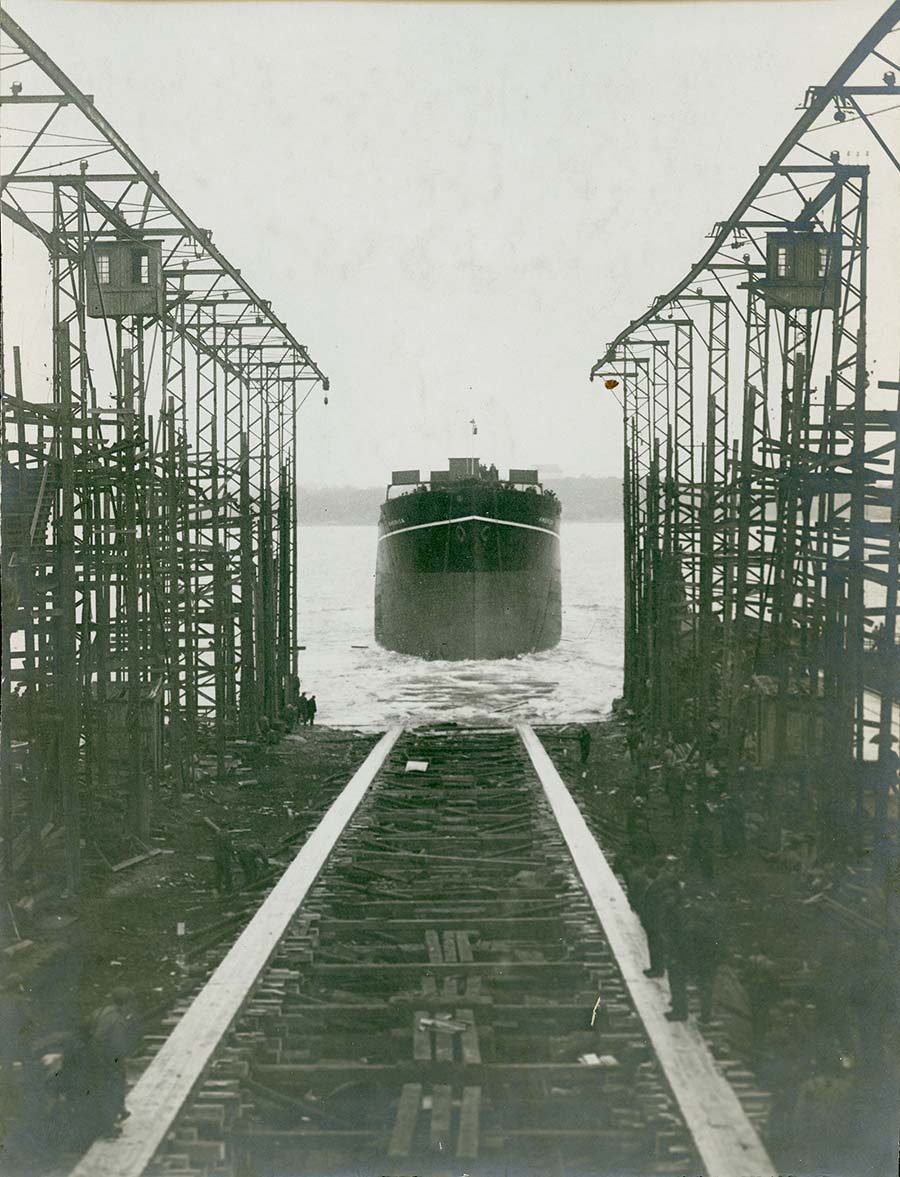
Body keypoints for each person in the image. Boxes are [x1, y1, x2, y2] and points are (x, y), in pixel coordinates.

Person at [88, 987, 138, 1138]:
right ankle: (110, 1125)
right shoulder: (117, 1019)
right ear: (126, 1003)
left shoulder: (100, 1011)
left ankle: (117, 1112)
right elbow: (118, 1046)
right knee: (113, 1086)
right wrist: (123, 1060)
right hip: (108, 1058)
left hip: (94, 1055)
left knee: (101, 1087)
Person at [212, 827, 234, 894]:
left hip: (217, 855)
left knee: (219, 871)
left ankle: (217, 887)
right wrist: (233, 853)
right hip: (224, 855)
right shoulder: (227, 835)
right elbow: (228, 846)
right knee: (227, 871)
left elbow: (215, 845)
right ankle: (229, 888)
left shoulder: (217, 834)